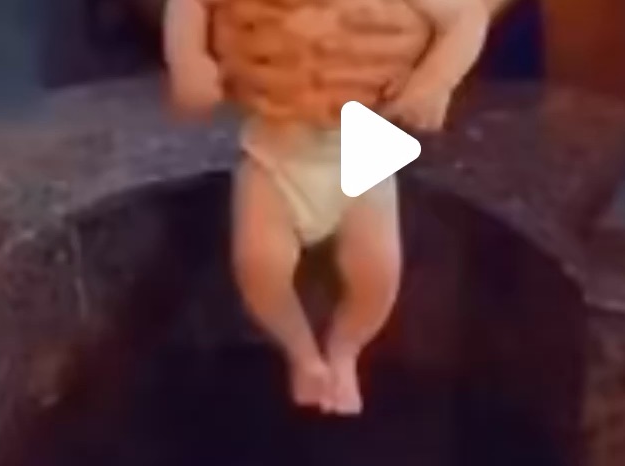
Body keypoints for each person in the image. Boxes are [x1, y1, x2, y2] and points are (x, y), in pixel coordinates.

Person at [163, 0, 490, 415]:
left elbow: (467, 16)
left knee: (377, 271)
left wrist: (436, 81)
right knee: (258, 262)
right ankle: (301, 352)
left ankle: (345, 349)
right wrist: (188, 60)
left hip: (362, 144)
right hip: (275, 147)